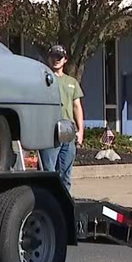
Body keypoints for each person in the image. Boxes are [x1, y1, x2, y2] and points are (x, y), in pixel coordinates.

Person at [38, 44, 84, 190]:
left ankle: (64, 202)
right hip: (49, 131)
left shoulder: (72, 82)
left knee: (65, 175)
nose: (56, 60)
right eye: (53, 56)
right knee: (48, 172)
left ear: (65, 60)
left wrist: (80, 131)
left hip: (68, 130)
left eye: (59, 57)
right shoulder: (42, 80)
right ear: (48, 58)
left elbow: (77, 106)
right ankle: (47, 201)